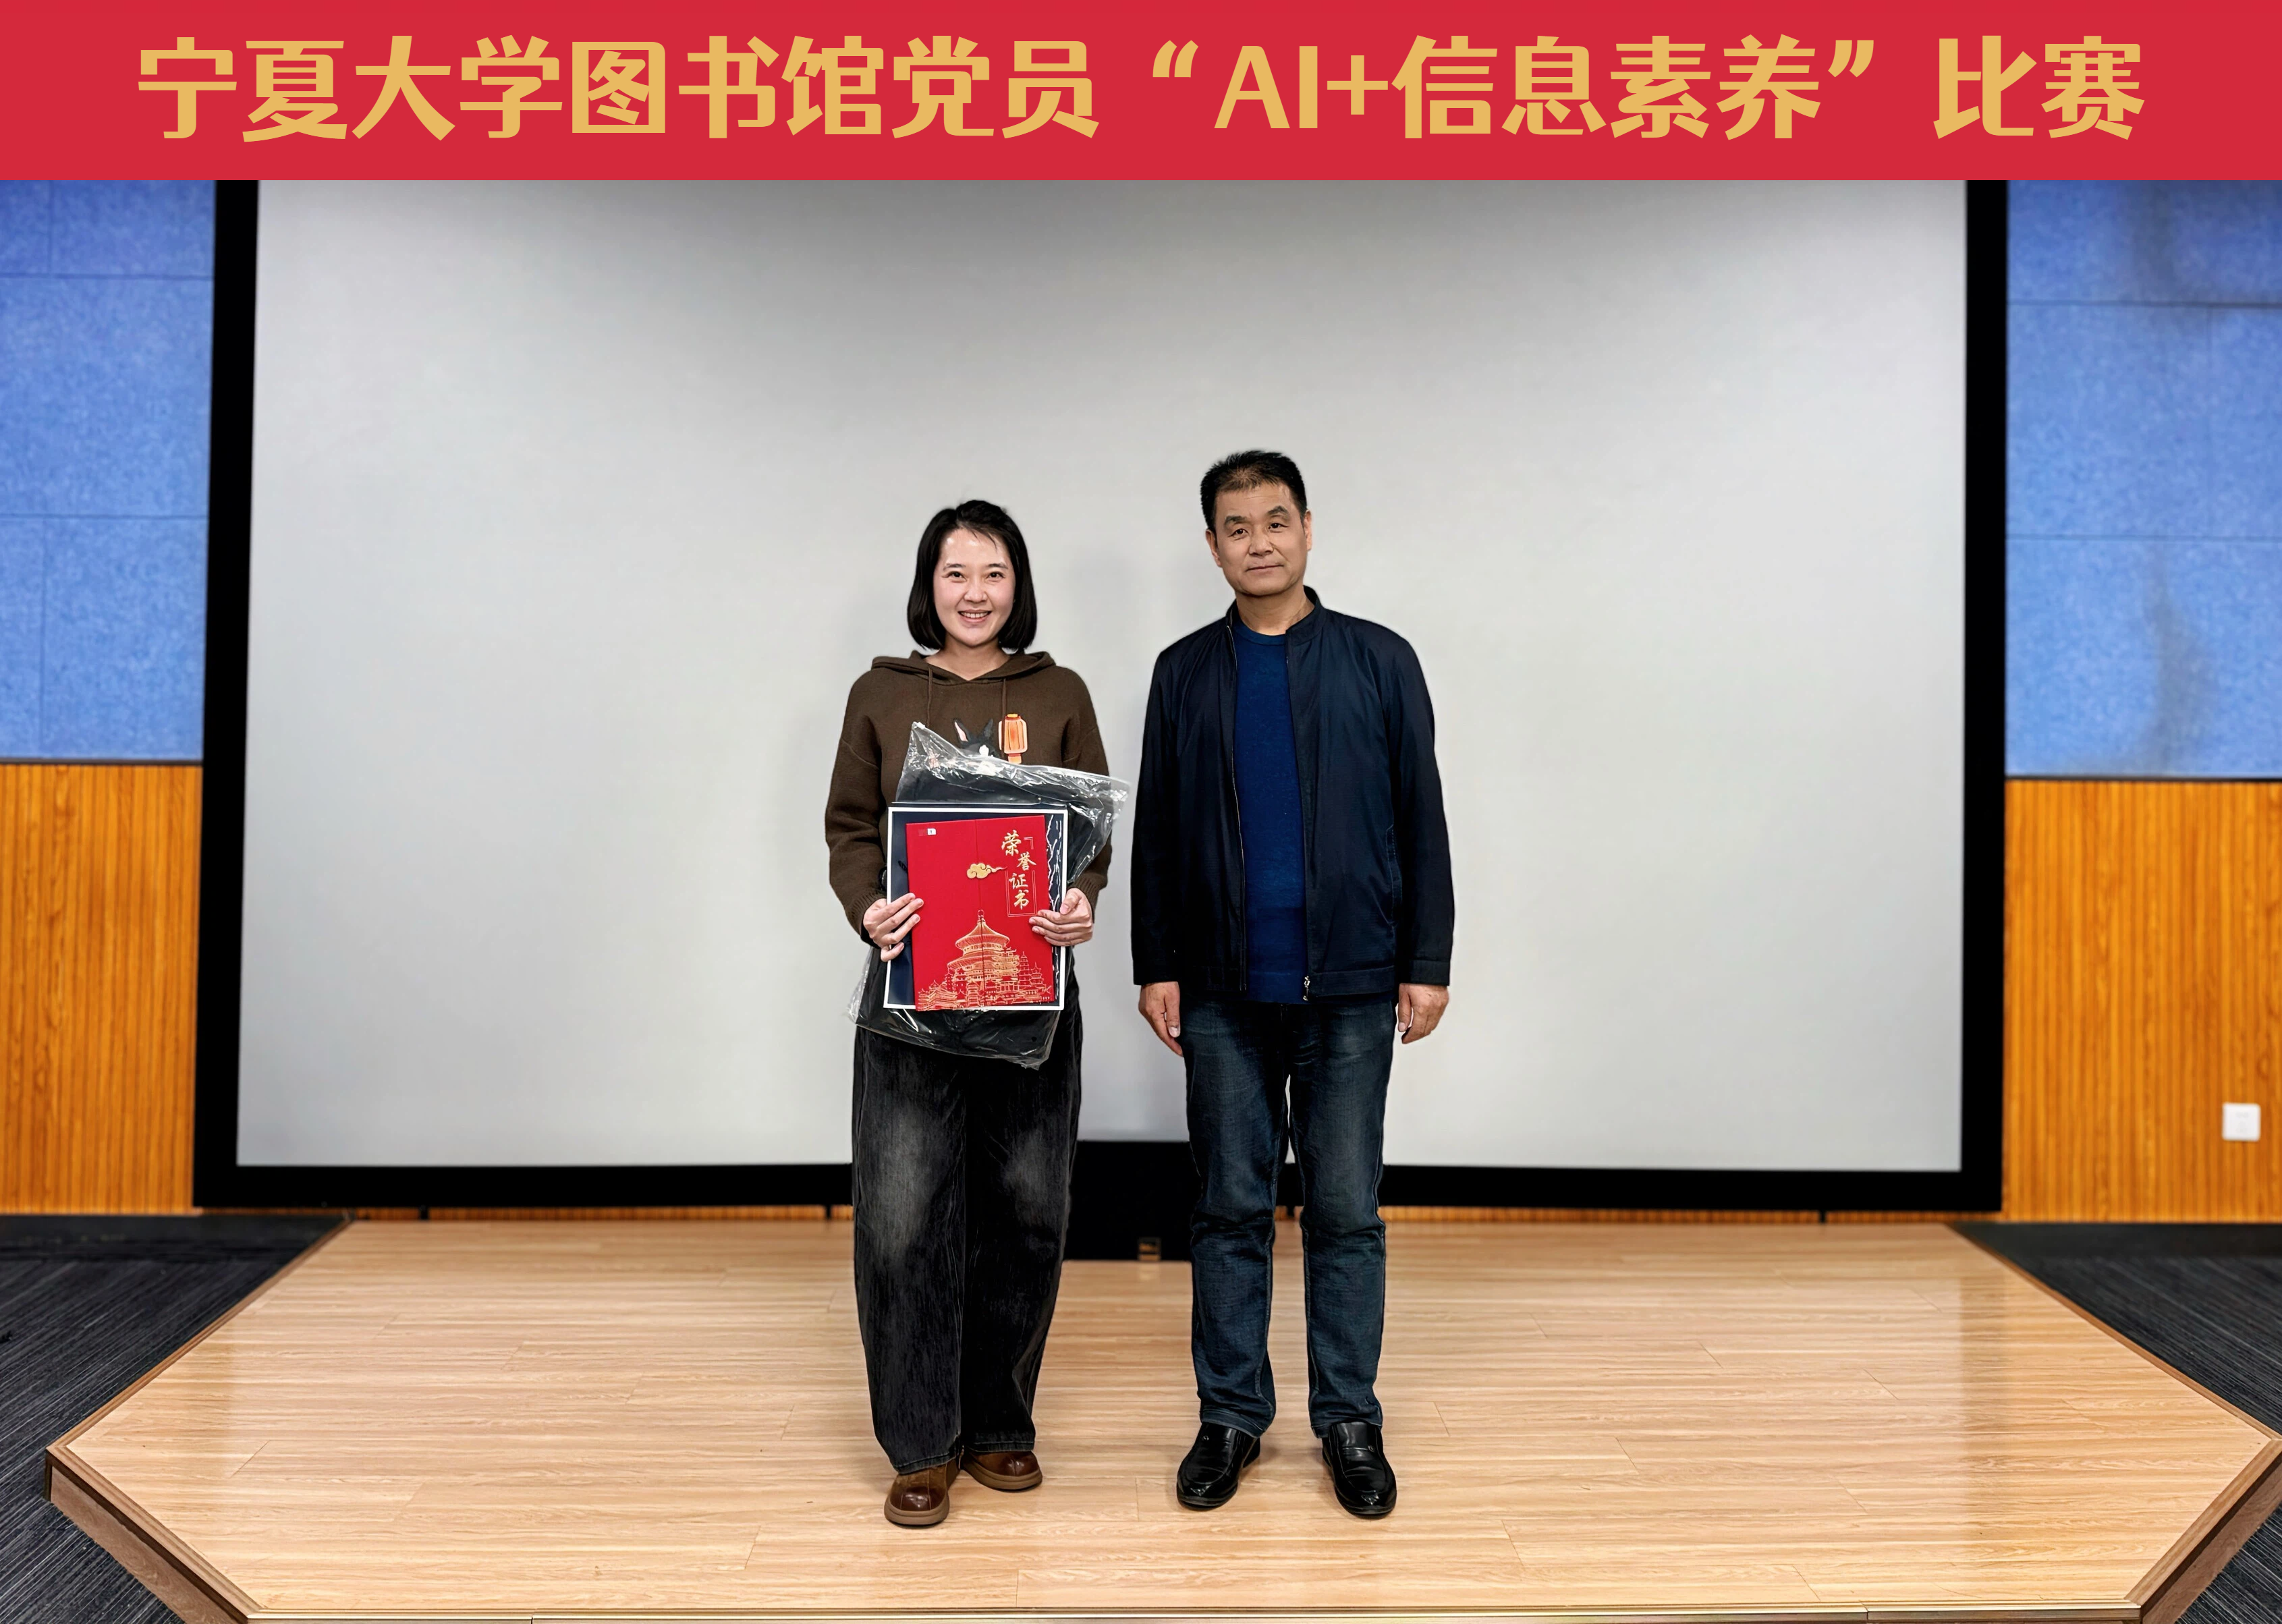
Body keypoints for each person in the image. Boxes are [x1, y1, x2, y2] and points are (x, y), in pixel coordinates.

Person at [1132, 450, 1453, 1519]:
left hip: (1352, 985)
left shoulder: (1377, 659)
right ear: (1211, 545)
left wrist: (1425, 959)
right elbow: (1158, 829)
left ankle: (1348, 1417)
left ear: (1307, 529)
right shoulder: (1184, 671)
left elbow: (1420, 813)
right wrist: (1156, 960)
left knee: (1345, 1210)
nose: (1258, 542)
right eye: (1236, 526)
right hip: (1222, 988)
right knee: (1227, 1207)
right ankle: (1230, 1414)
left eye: (1275, 521)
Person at [825, 499, 1111, 1528]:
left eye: (993, 573)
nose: (975, 593)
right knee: (905, 1218)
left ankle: (997, 1420)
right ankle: (920, 1441)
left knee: (1026, 1210)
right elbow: (852, 829)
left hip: (1030, 993)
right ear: (928, 585)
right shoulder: (879, 693)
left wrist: (1079, 898)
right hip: (910, 993)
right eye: (955, 573)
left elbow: (1086, 837)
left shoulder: (1060, 691)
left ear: (1016, 585)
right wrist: (869, 905)